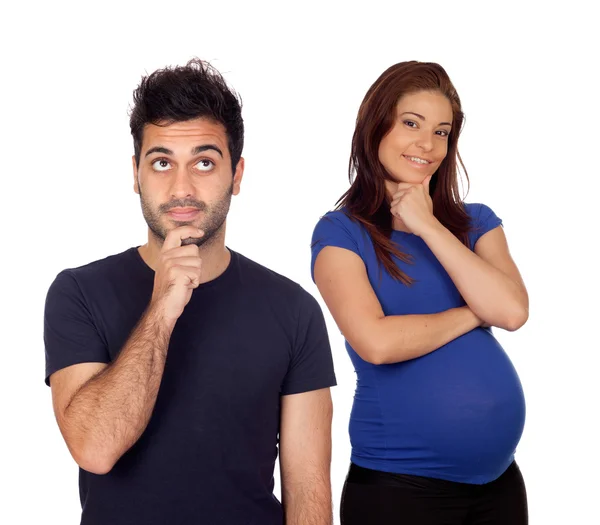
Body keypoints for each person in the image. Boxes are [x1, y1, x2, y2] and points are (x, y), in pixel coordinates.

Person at [44, 58, 336, 525]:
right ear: (135, 172)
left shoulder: (294, 309)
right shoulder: (78, 292)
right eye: (162, 163)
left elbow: (308, 489)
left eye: (204, 162)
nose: (182, 188)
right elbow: (94, 448)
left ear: (237, 176)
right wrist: (162, 308)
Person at [311, 61, 529, 525]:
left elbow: (511, 312)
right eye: (411, 123)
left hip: (500, 484)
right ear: (376, 127)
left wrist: (428, 225)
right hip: (400, 487)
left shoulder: (476, 222)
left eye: (442, 132)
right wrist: (476, 309)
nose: (427, 145)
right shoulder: (341, 234)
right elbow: (377, 342)